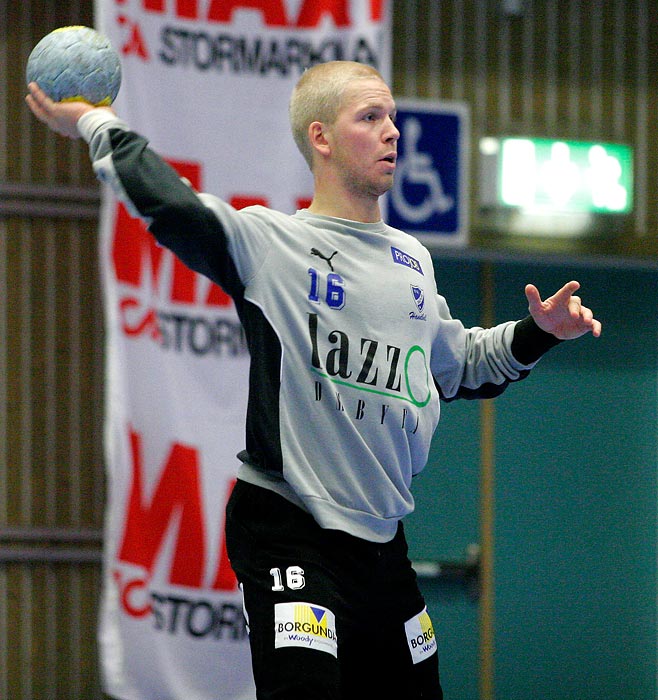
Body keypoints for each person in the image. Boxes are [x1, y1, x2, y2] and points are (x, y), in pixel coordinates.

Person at [27, 61, 601, 700]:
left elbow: (460, 366)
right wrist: (95, 120)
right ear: (321, 138)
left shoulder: (412, 261)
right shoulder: (274, 246)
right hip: (288, 525)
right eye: (371, 118)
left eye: (392, 116)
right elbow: (172, 205)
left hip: (381, 544)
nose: (393, 133)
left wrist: (539, 331)